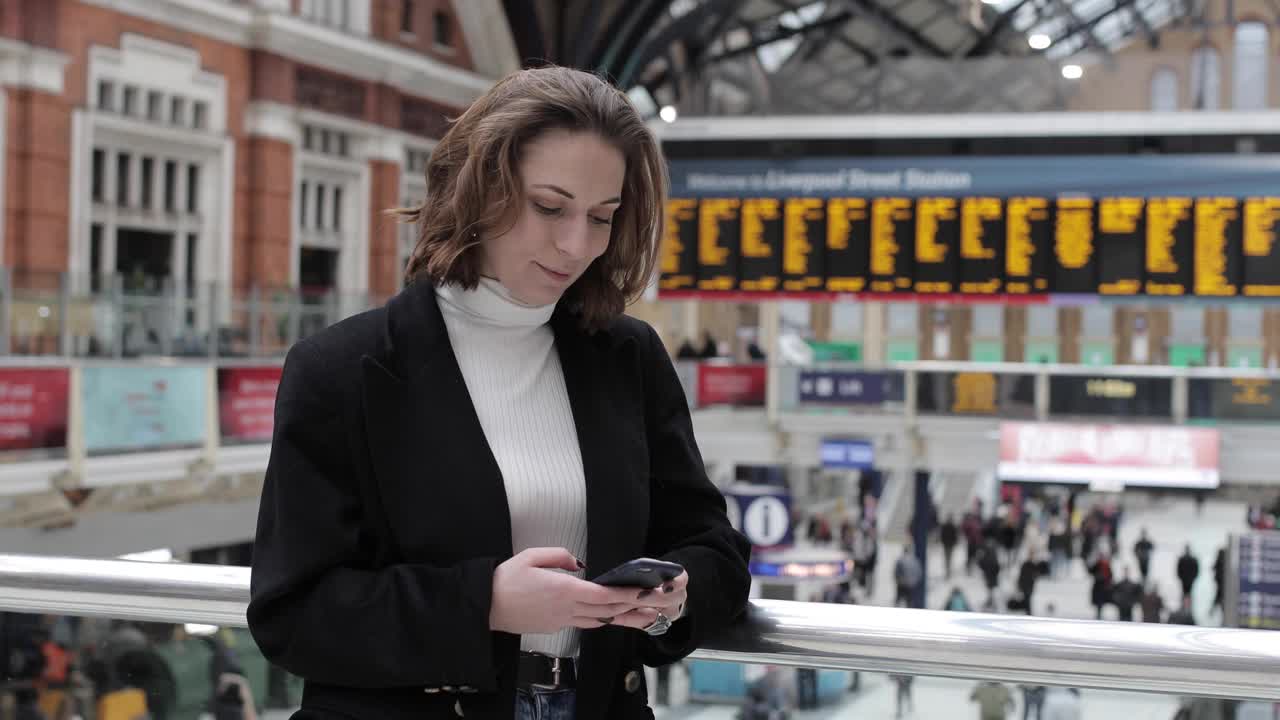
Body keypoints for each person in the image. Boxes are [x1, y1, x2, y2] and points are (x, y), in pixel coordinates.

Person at [246, 66, 752, 720]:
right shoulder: (342, 370)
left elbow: (717, 551)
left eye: (602, 217)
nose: (577, 245)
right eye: (550, 207)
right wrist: (484, 604)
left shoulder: (627, 358)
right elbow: (294, 614)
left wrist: (672, 599)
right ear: (480, 188)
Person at [940, 514, 960, 580]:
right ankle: (948, 570)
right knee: (949, 557)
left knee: (947, 557)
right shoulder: (952, 526)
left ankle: (947, 570)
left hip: (947, 544)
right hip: (950, 544)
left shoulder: (945, 526)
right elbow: (955, 535)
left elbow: (942, 535)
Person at [1213, 546, 1226, 617]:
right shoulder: (1224, 561)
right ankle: (1221, 609)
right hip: (1221, 582)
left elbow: (1213, 568)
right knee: (1219, 596)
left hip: (1219, 581)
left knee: (1218, 596)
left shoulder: (1219, 560)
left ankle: (1214, 609)